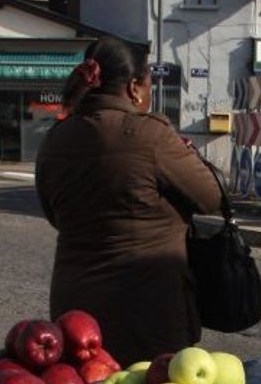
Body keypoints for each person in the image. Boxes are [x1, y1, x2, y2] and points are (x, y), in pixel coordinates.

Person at [35, 37, 225, 366]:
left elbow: (54, 214)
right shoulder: (151, 135)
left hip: (75, 312)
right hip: (147, 309)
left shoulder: (55, 139)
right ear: (134, 87)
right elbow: (210, 198)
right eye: (148, 84)